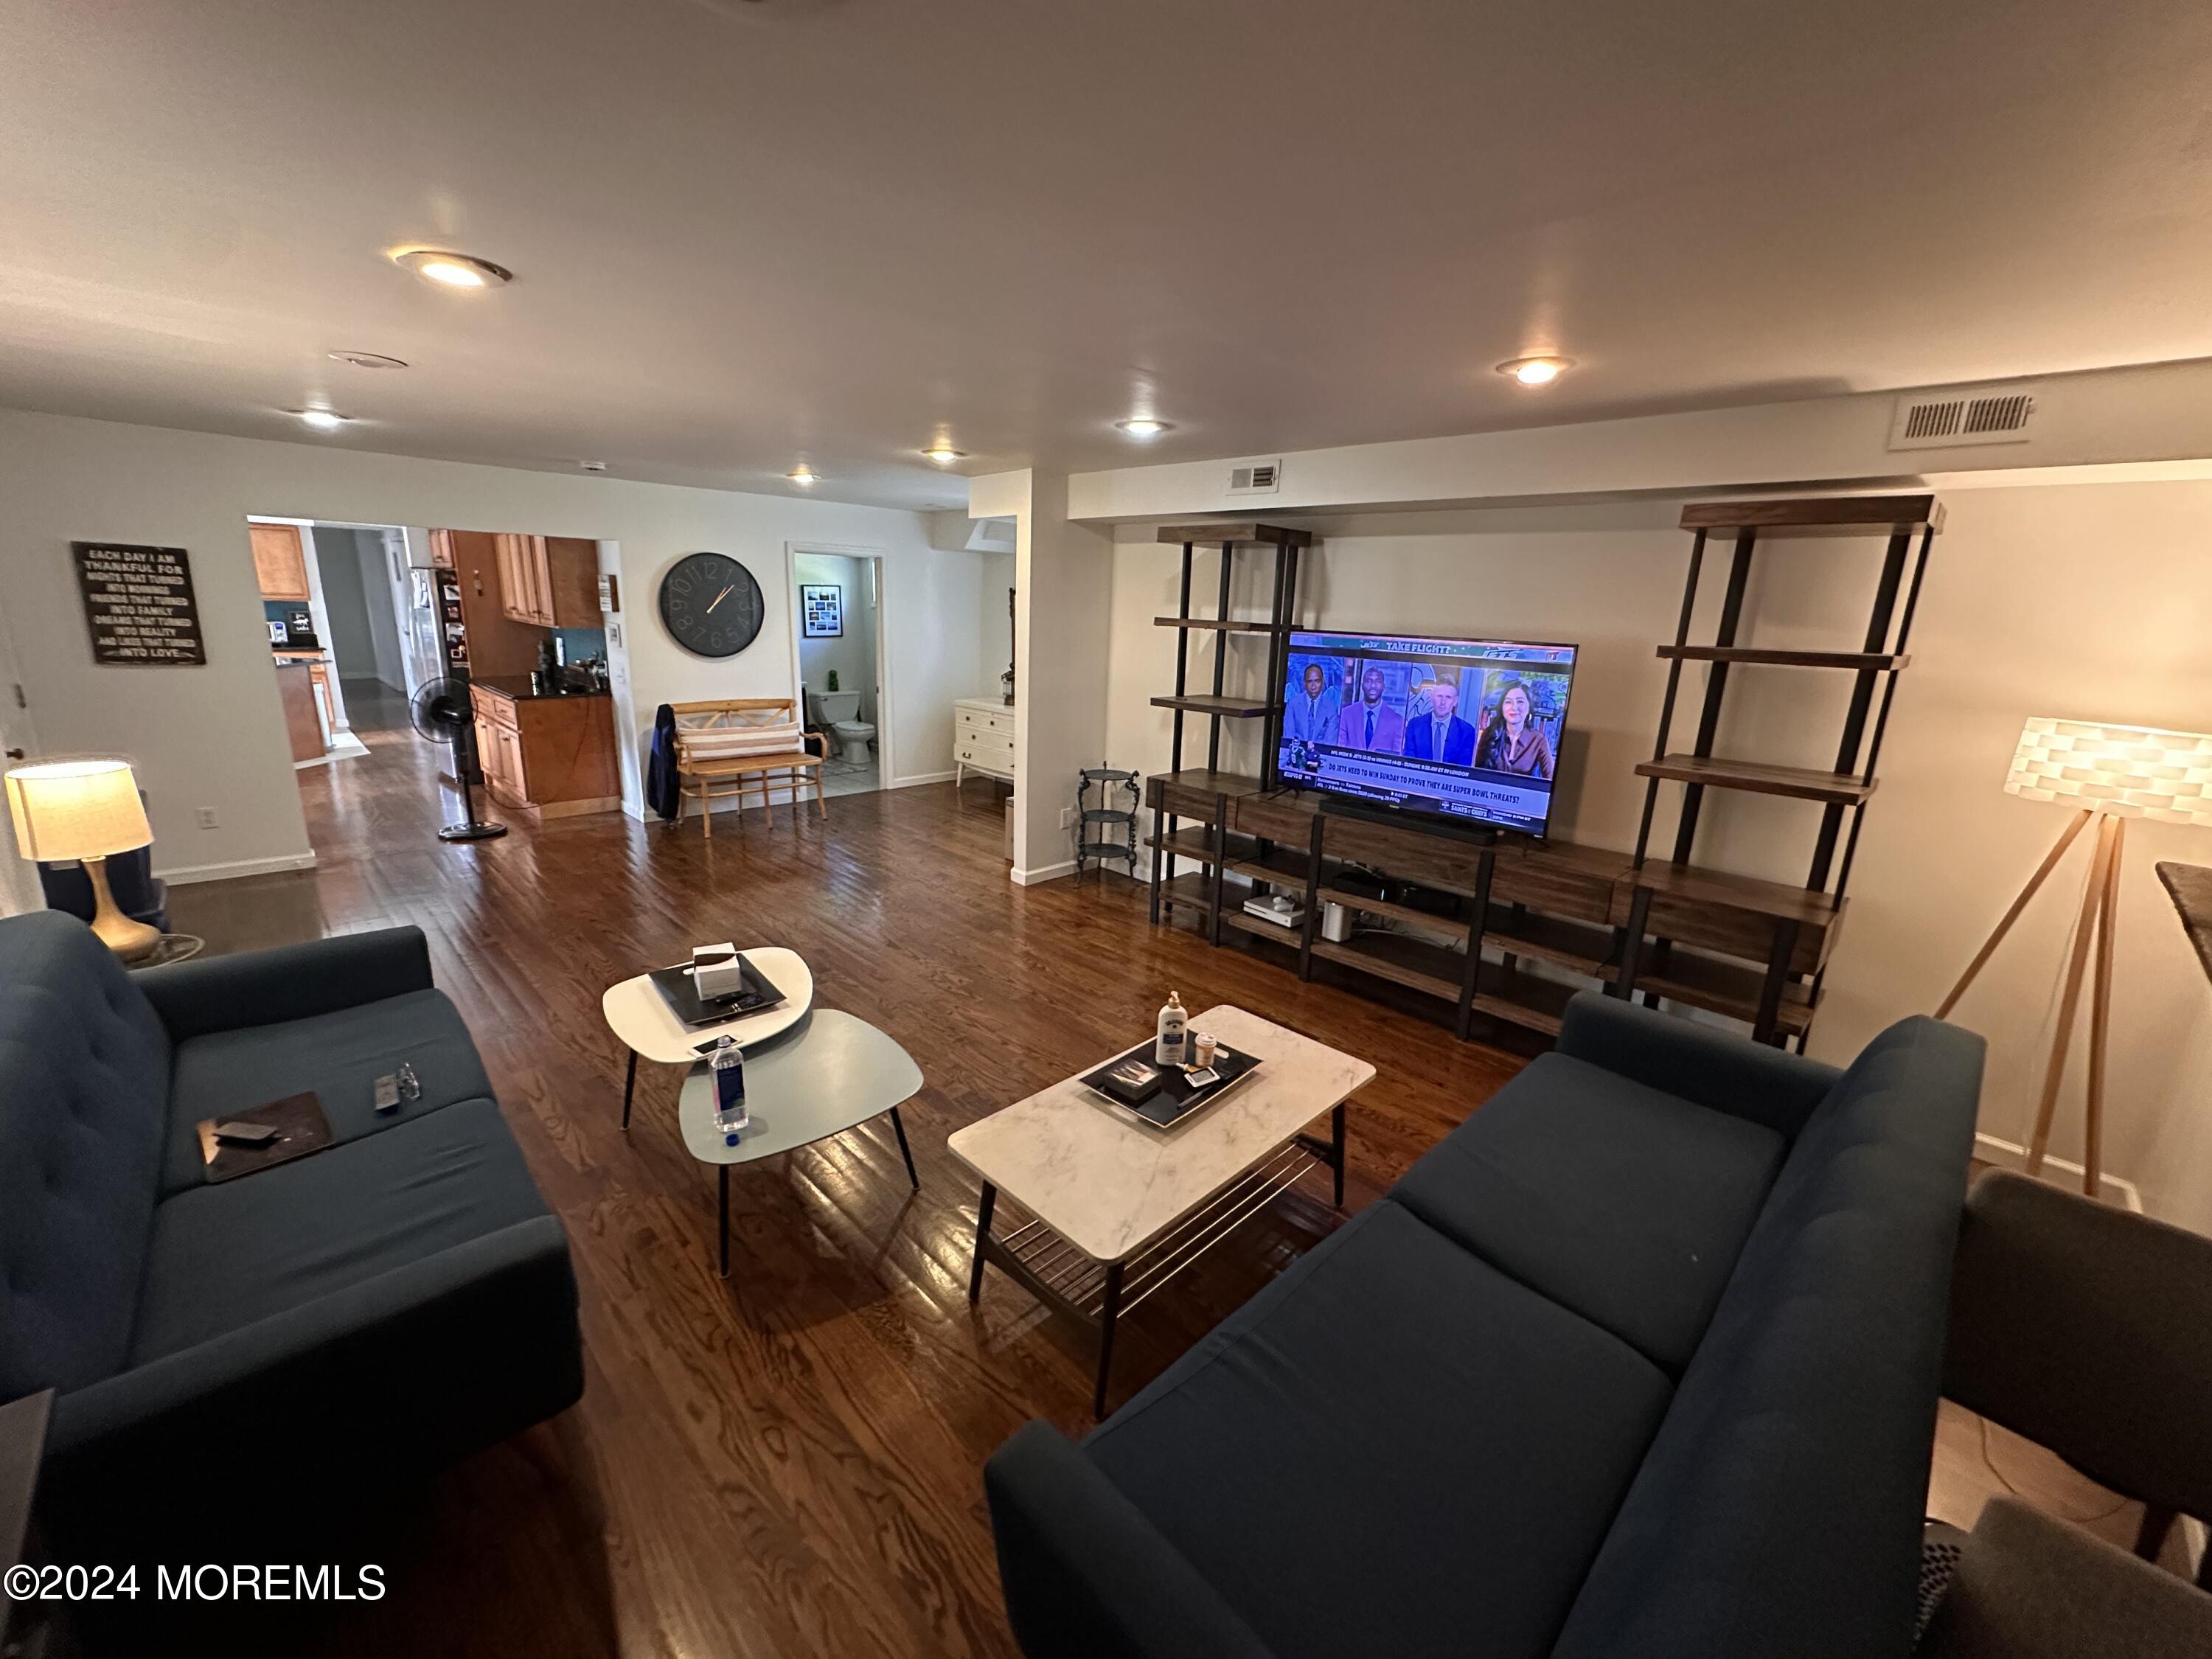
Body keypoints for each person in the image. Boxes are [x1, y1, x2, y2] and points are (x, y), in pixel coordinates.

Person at [1475, 679, 1554, 778]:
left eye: (1520, 702)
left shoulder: (1538, 740)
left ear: (1529, 707)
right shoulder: (1489, 734)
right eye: (1508, 702)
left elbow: (1551, 781)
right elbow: (1476, 774)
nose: (1514, 707)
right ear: (1502, 707)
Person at [1403, 676, 1478, 765]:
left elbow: (1463, 770)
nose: (1443, 702)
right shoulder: (1414, 726)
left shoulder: (1467, 731)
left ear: (1455, 701)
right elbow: (1409, 763)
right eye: (1439, 696)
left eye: (1448, 697)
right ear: (1432, 698)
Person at [1335, 664, 1405, 754]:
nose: (1373, 685)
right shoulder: (1346, 714)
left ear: (1383, 686)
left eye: (1378, 681)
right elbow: (1339, 750)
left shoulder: (1397, 721)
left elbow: (1397, 757)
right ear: (1362, 686)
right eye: (1368, 681)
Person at [1282, 661, 1341, 745]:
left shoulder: (1331, 707)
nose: (1313, 686)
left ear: (1323, 682)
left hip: (1321, 755)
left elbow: (1330, 741)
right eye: (1310, 681)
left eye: (1317, 681)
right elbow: (1288, 736)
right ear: (1304, 683)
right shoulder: (1293, 704)